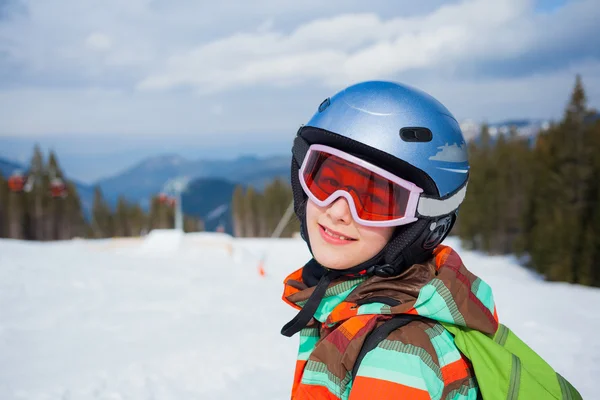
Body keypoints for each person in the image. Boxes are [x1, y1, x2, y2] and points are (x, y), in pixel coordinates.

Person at [280, 81, 496, 399]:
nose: (339, 210)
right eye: (326, 181)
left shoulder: (397, 356)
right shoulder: (351, 308)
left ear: (420, 227)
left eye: (375, 199)